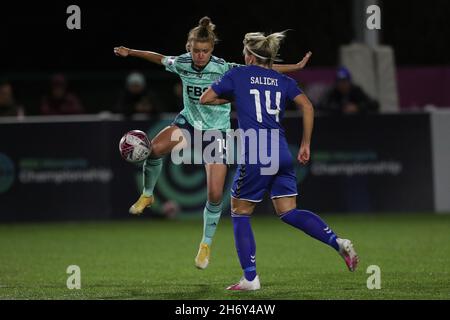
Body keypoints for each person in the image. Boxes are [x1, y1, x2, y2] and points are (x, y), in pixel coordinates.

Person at [114, 16, 312, 270]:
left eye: (205, 51)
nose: (200, 55)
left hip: (216, 132)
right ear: (189, 48)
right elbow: (159, 57)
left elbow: (263, 69)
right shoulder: (182, 63)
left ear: (212, 50)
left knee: (215, 193)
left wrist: (294, 67)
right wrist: (130, 52)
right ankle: (148, 195)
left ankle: (205, 244)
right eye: (196, 50)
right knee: (153, 150)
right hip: (188, 123)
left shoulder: (223, 67)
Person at [200, 31, 359, 290]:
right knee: (288, 211)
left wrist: (235, 97)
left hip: (256, 153)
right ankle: (338, 243)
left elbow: (205, 98)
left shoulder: (238, 74)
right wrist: (306, 143)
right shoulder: (281, 80)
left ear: (250, 56)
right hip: (282, 152)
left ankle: (250, 278)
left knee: (240, 212)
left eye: (244, 53)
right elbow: (308, 106)